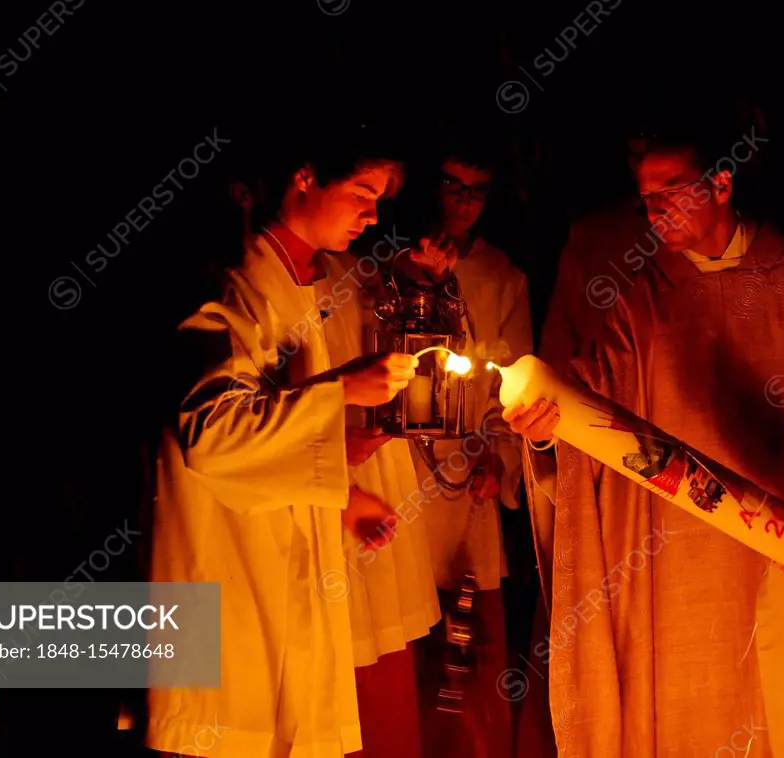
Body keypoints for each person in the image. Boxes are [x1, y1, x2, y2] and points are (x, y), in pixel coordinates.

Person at [524, 117, 784, 758]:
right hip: (671, 573)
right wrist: (544, 429)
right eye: (645, 198)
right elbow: (592, 405)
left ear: (721, 183)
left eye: (670, 191)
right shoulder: (641, 304)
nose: (654, 211)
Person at [146, 126, 421, 758]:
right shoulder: (232, 289)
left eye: (379, 199)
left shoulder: (304, 286)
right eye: (361, 192)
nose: (373, 215)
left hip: (285, 584)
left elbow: (275, 426)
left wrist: (342, 493)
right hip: (229, 588)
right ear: (305, 176)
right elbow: (212, 439)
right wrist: (340, 395)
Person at [401, 135, 534, 758]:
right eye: (452, 185)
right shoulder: (383, 265)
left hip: (469, 494)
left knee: (470, 670)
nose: (462, 203)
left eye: (476, 192)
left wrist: (497, 458)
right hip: (400, 491)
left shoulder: (503, 279)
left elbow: (518, 390)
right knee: (405, 671)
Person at [315, 240, 443, 758]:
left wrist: (425, 285)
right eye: (363, 194)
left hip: (357, 477)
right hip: (305, 493)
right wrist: (331, 471)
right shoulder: (245, 292)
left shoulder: (361, 278)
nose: (369, 218)